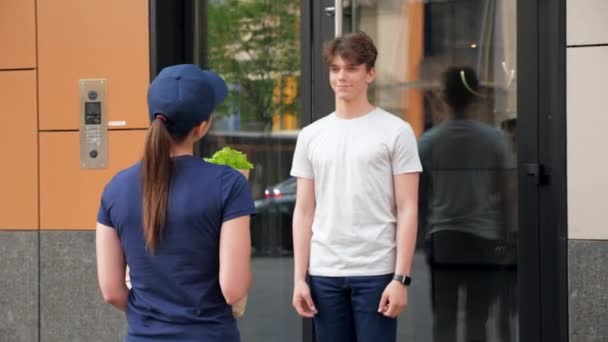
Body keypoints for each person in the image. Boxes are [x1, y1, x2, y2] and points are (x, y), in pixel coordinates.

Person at [95, 64, 255, 341]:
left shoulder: (115, 189)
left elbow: (111, 291)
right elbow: (233, 288)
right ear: (202, 126)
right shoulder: (228, 184)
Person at [290, 32, 422, 342]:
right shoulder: (311, 135)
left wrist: (401, 279)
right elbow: (304, 211)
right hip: (324, 274)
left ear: (370, 73)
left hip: (377, 272)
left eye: (351, 68)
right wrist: (299, 278)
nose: (341, 76)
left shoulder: (396, 131)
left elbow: (408, 208)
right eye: (335, 69)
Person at [418, 66, 515, 341]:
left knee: (444, 319)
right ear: (476, 98)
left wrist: (423, 237)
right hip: (483, 239)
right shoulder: (495, 139)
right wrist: (507, 241)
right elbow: (506, 197)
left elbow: (419, 197)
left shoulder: (428, 142)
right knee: (478, 320)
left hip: (444, 239)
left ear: (444, 98)